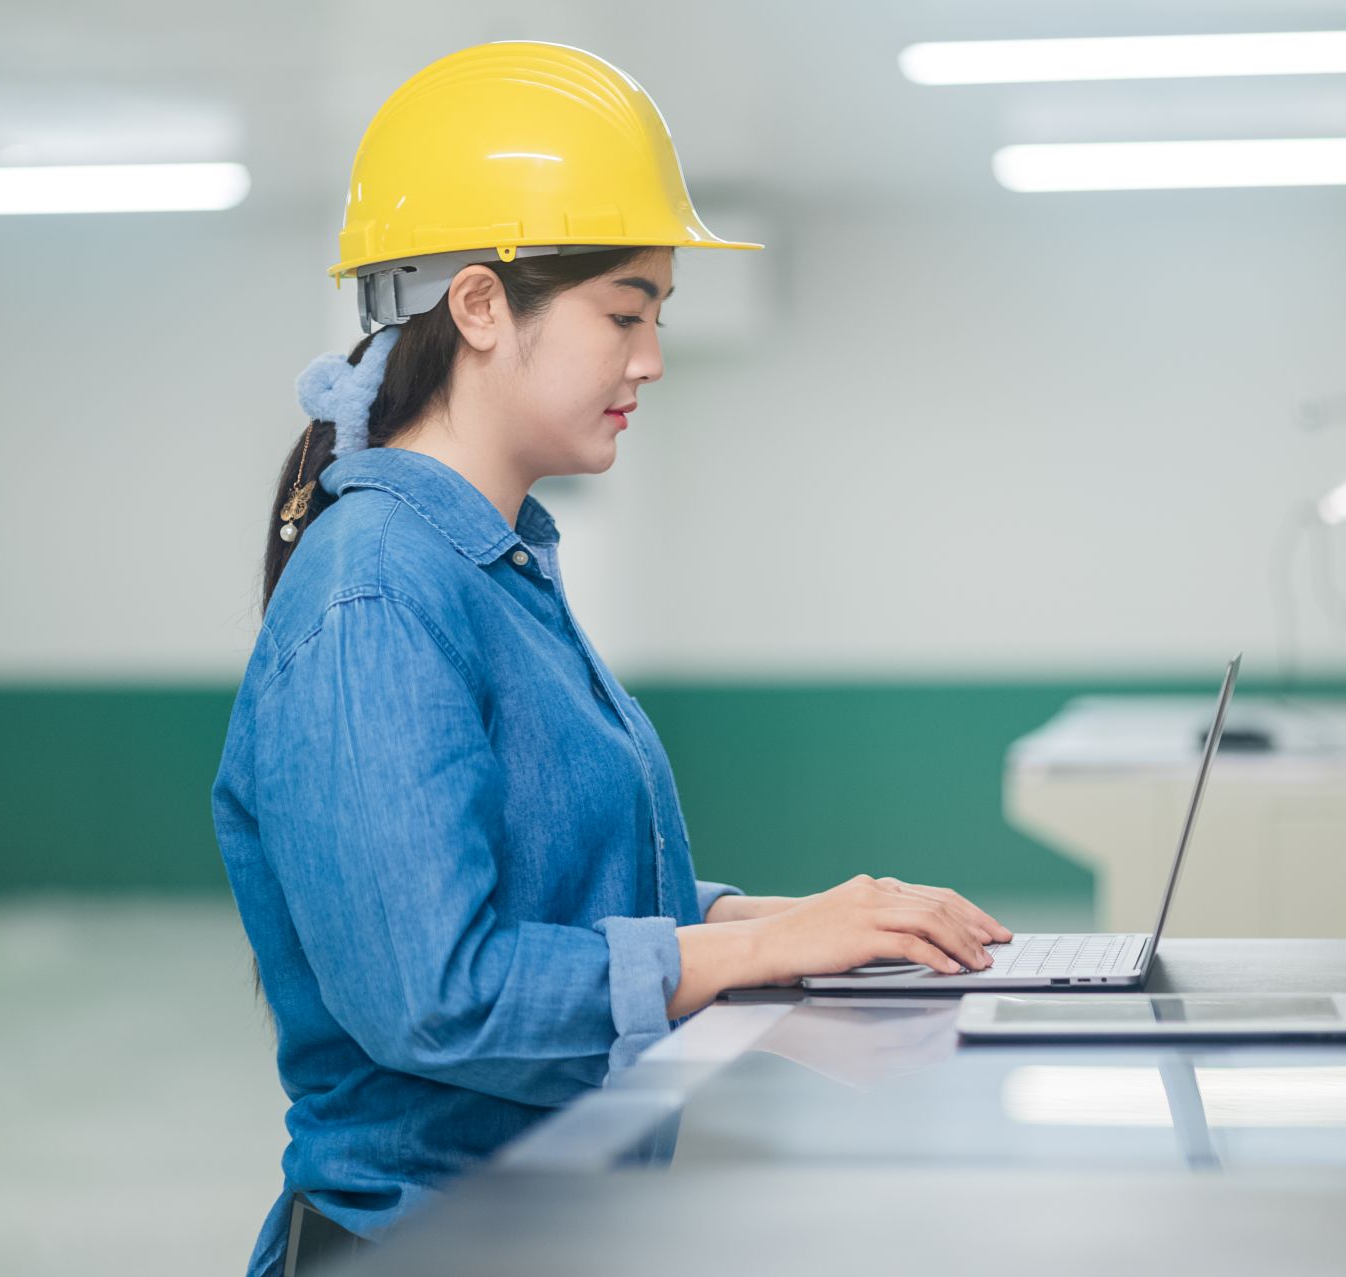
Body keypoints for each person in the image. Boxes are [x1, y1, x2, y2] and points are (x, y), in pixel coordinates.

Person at [210, 41, 1011, 1277]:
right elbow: (439, 992)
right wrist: (751, 955)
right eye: (624, 314)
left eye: (658, 318)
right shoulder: (376, 590)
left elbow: (572, 907)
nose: (648, 358)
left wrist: (798, 926)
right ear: (480, 307)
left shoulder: (497, 566)